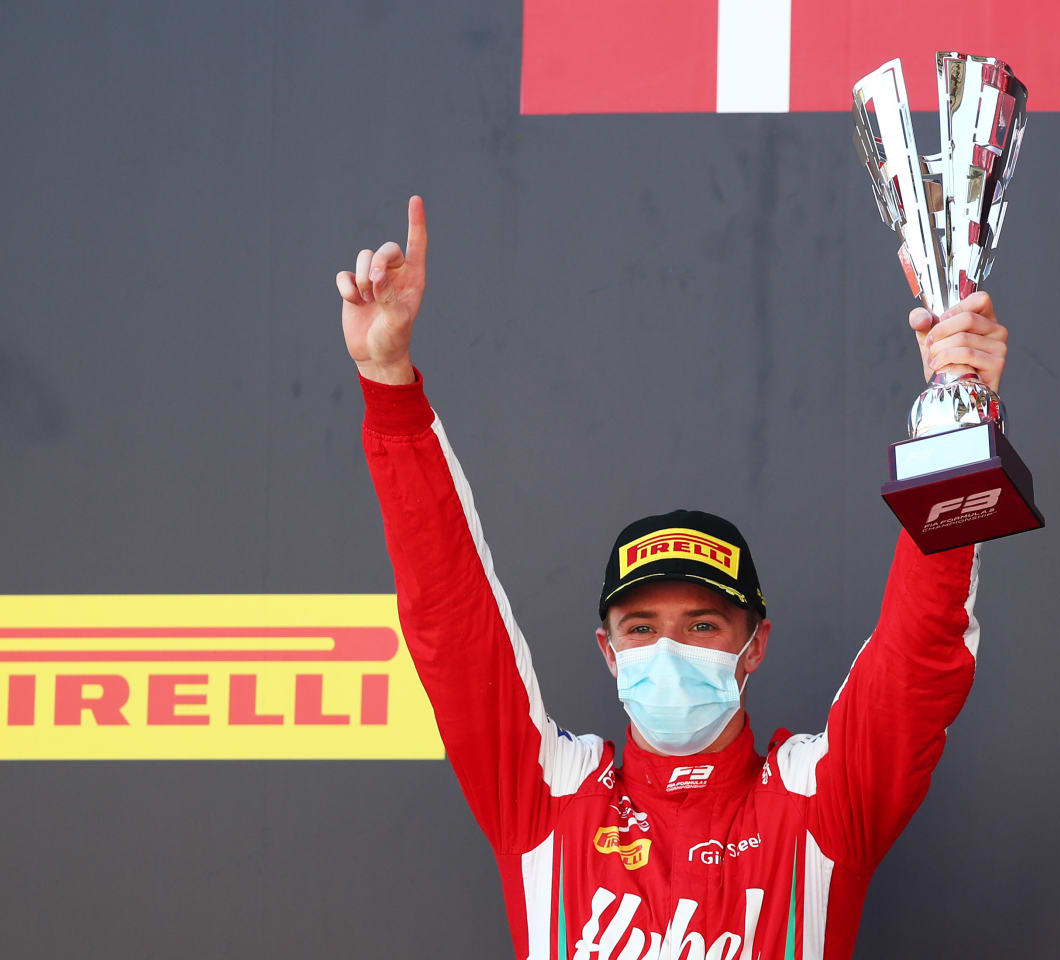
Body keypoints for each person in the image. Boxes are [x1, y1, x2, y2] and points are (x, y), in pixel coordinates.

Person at [336, 196, 1011, 960]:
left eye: (701, 626)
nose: (669, 649)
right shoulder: (547, 799)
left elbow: (920, 652)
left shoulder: (817, 804)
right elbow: (450, 623)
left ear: (754, 646)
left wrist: (958, 417)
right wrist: (389, 386)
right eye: (641, 628)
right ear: (607, 650)